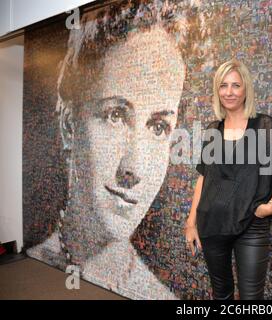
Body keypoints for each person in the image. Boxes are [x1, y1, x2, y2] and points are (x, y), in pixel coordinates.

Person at [26, 0, 201, 300]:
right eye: (116, 115)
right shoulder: (27, 269)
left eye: (159, 127)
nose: (134, 168)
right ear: (70, 125)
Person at [184, 59, 272, 300]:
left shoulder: (263, 125)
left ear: (246, 89)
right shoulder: (213, 129)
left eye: (236, 85)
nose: (229, 92)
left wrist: (271, 206)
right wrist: (191, 222)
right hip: (212, 224)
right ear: (217, 91)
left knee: (251, 297)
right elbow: (204, 179)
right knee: (221, 293)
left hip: (251, 226)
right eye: (223, 85)